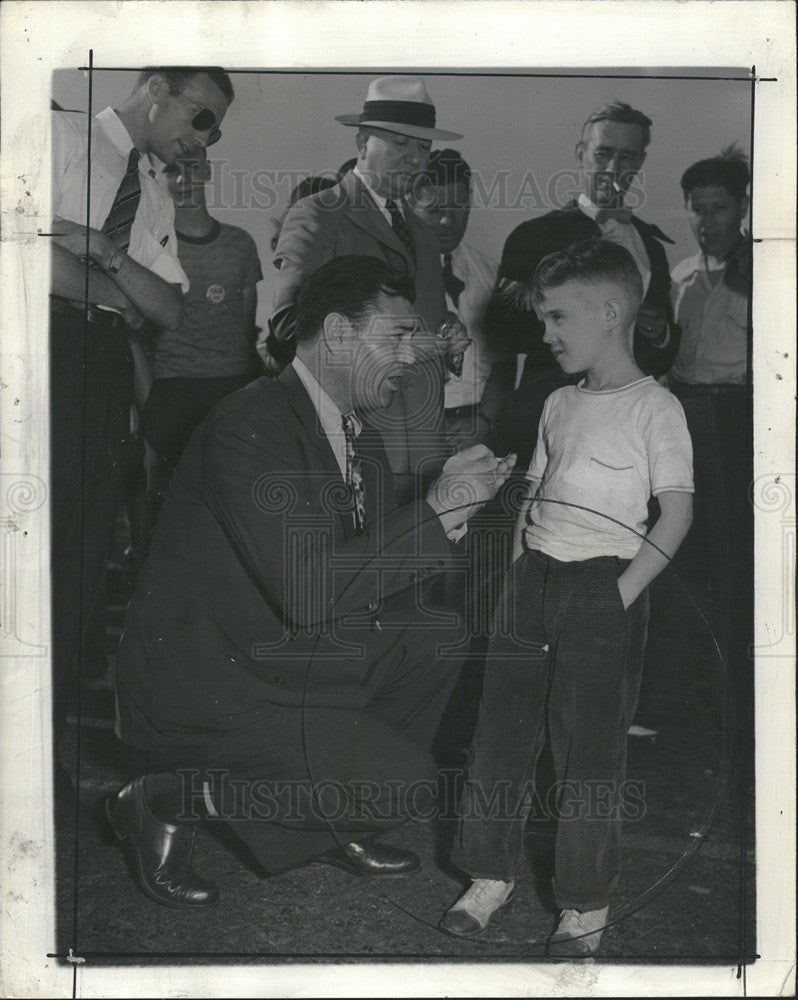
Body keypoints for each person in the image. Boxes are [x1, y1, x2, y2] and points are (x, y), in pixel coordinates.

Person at [107, 256, 516, 910]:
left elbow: (364, 576)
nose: (413, 357)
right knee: (407, 785)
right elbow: (310, 592)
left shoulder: (353, 431)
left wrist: (455, 509)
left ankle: (328, 812)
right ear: (336, 334)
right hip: (210, 684)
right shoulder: (254, 422)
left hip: (273, 652)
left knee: (437, 636)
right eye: (399, 335)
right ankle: (162, 798)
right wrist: (439, 510)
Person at [440, 241, 693, 957]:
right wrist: (520, 568)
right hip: (534, 582)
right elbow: (535, 493)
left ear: (611, 313)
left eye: (557, 318)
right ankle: (489, 875)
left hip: (603, 588)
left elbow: (675, 515)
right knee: (500, 736)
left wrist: (617, 597)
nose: (545, 334)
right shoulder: (556, 400)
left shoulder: (657, 408)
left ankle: (584, 904)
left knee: (589, 752)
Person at [49, 66, 233, 781]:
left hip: (99, 370)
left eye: (213, 127)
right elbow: (24, 263)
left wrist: (98, 249)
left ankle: (50, 732)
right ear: (155, 87)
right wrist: (110, 282)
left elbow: (167, 309)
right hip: (36, 350)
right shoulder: (58, 137)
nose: (202, 135)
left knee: (82, 555)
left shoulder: (153, 189)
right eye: (200, 114)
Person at [265, 76, 467, 504]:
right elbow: (288, 329)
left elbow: (427, 317)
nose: (414, 159)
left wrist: (450, 331)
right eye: (400, 143)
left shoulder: (422, 232)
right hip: (356, 444)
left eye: (423, 148)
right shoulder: (317, 214)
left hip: (425, 449)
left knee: (422, 561)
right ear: (362, 142)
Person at [486, 100, 681, 469]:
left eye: (626, 157)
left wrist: (659, 334)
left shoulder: (651, 245)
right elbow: (501, 331)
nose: (613, 169)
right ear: (580, 153)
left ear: (639, 162)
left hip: (628, 421)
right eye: (603, 154)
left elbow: (662, 352)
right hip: (546, 415)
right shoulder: (534, 235)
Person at [668, 147, 752, 740]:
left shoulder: (770, 273)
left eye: (718, 208)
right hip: (684, 418)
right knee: (684, 558)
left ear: (743, 207)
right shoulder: (678, 275)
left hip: (739, 424)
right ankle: (684, 700)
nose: (706, 221)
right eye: (697, 209)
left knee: (737, 564)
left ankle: (741, 709)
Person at [140, 147, 262, 513]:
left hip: (232, 391)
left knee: (233, 503)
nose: (181, 180)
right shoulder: (152, 245)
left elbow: (245, 329)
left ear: (207, 171)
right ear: (158, 177)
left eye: (191, 170)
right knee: (172, 504)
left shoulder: (240, 243)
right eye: (171, 171)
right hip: (174, 392)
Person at [412, 149, 511, 451]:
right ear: (411, 206)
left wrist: (482, 422)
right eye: (433, 209)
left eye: (458, 207)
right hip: (414, 428)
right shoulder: (393, 273)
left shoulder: (491, 273)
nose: (447, 220)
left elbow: (506, 361)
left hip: (481, 423)